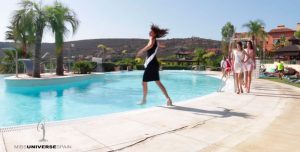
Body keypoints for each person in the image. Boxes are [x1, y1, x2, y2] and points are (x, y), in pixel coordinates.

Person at [136, 24, 173, 106]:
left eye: (151, 31)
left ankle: (144, 100)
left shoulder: (152, 39)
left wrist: (141, 51)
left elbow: (150, 45)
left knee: (144, 82)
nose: (149, 32)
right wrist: (162, 45)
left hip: (151, 64)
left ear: (154, 34)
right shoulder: (155, 40)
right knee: (158, 82)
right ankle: (168, 99)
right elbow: (158, 45)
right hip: (154, 63)